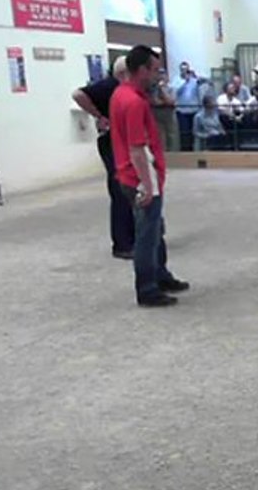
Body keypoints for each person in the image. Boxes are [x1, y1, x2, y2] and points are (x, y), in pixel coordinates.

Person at [110, 45, 188, 307]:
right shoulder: (132, 102)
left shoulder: (122, 95)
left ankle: (160, 274)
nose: (158, 75)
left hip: (136, 176)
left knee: (155, 230)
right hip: (141, 178)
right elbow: (136, 148)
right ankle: (147, 288)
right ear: (141, 70)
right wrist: (147, 185)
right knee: (146, 235)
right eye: (154, 70)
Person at [72, 56, 134, 257]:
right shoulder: (109, 86)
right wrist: (98, 116)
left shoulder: (128, 90)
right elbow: (78, 94)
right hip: (111, 142)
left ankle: (132, 237)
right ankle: (122, 244)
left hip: (126, 142)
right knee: (120, 190)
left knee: (130, 189)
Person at [171, 62, 201, 151]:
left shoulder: (194, 79)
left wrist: (196, 77)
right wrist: (185, 81)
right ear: (180, 70)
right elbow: (176, 92)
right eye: (183, 69)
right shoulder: (176, 80)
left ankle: (192, 150)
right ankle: (185, 151)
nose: (184, 71)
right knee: (184, 132)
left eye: (186, 69)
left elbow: (205, 84)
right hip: (182, 111)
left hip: (194, 110)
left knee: (193, 132)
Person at [150, 69, 179, 152]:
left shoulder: (172, 88)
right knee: (160, 137)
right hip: (157, 115)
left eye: (163, 74)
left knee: (172, 137)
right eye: (159, 74)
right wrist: (164, 102)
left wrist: (162, 89)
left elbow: (171, 101)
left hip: (169, 114)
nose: (161, 76)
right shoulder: (153, 89)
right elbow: (154, 102)